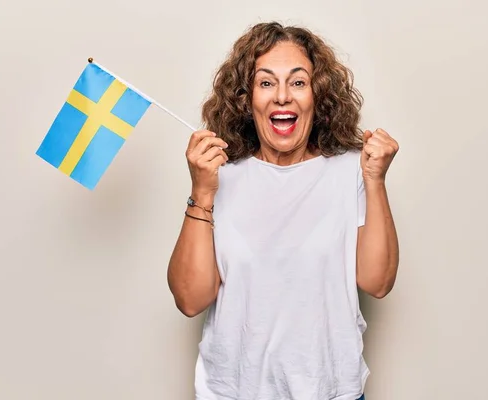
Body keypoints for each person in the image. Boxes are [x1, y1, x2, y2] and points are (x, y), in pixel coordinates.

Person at [167, 21, 400, 400]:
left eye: (297, 82)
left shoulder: (351, 171)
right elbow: (190, 299)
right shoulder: (219, 175)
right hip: (232, 391)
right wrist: (201, 192)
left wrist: (375, 180)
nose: (281, 97)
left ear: (317, 95)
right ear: (247, 99)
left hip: (330, 390)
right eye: (265, 82)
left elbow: (378, 282)